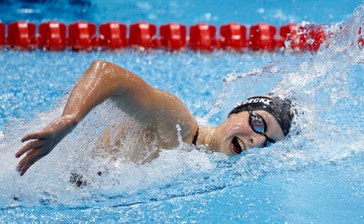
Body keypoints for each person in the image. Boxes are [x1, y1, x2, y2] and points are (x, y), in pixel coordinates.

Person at [15, 59, 294, 176]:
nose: (257, 141)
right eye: (259, 124)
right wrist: (70, 120)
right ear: (237, 111)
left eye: (268, 142)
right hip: (26, 163)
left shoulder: (197, 160)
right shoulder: (179, 125)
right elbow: (108, 73)